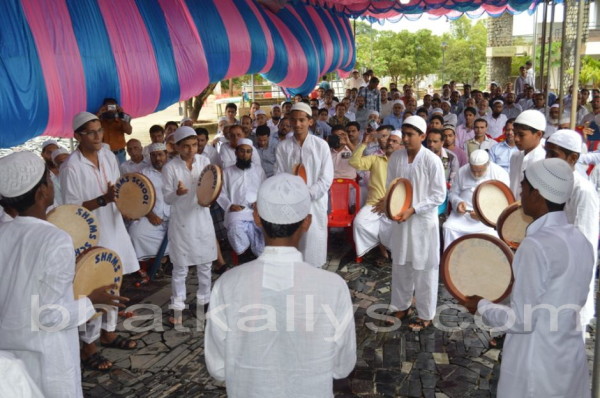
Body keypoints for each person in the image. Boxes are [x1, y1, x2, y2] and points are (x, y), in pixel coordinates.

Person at [205, 173, 356, 397]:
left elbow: (218, 367)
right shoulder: (333, 287)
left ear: (256, 217)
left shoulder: (227, 285)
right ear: (307, 222)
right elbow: (342, 366)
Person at [0, 151, 128, 397]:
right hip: (47, 356)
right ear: (41, 194)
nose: (53, 185)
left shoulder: (4, 232)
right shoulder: (54, 238)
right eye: (50, 180)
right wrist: (92, 302)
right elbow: (50, 316)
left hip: (8, 350)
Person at [465, 158, 593, 398]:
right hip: (568, 354)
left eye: (523, 186)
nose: (520, 192)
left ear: (537, 194)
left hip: (536, 361)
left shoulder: (536, 245)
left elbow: (521, 320)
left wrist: (481, 306)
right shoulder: (580, 239)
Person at [60, 112, 139, 365]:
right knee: (93, 288)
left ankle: (109, 332)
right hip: (92, 236)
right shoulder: (70, 167)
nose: (97, 136)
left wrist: (127, 207)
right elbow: (72, 210)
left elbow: (117, 188)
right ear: (77, 136)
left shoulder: (107, 154)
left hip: (114, 227)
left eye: (99, 130)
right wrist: (103, 200)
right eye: (91, 132)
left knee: (115, 282)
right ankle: (89, 345)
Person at [374, 116, 446, 330]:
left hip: (423, 223)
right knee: (400, 265)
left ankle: (425, 314)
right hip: (401, 222)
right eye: (403, 134)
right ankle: (401, 306)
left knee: (425, 268)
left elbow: (438, 195)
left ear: (422, 136)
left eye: (410, 135)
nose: (405, 139)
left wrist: (414, 209)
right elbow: (392, 186)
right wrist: (387, 203)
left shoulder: (432, 160)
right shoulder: (396, 157)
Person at [545, 129, 599, 336]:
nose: (548, 160)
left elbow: (582, 244)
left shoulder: (583, 191)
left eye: (553, 155)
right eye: (547, 154)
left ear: (573, 158)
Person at [162, 126, 218, 323]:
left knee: (205, 264)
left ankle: (205, 301)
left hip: (202, 218)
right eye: (186, 146)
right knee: (180, 267)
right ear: (177, 147)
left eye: (194, 145)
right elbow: (167, 199)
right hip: (181, 222)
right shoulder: (170, 168)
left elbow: (212, 185)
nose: (191, 150)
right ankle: (178, 307)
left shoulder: (204, 161)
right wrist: (177, 193)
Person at [275, 102, 333, 268]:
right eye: (294, 120)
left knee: (313, 249)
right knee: (293, 250)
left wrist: (307, 194)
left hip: (314, 205)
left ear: (310, 121)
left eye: (302, 120)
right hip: (290, 205)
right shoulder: (283, 147)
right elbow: (279, 175)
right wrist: (291, 195)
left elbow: (326, 178)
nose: (297, 124)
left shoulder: (321, 146)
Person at [350, 129, 402, 262]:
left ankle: (388, 251)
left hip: (394, 205)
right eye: (390, 140)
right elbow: (354, 162)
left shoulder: (404, 164)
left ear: (401, 146)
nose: (390, 143)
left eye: (394, 141)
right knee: (359, 223)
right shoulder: (375, 158)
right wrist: (363, 144)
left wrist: (388, 202)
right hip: (373, 204)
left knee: (397, 227)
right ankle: (381, 246)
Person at [442, 150, 509, 248]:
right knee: (448, 227)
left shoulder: (500, 174)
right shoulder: (462, 171)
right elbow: (452, 193)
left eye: (480, 171)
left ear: (487, 165)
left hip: (487, 218)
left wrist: (483, 214)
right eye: (473, 170)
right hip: (463, 215)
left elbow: (503, 201)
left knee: (491, 234)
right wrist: (458, 203)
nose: (476, 174)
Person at [217, 138, 266, 259]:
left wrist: (260, 202)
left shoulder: (258, 170)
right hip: (236, 211)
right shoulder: (227, 172)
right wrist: (229, 206)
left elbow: (265, 189)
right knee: (234, 230)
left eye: (248, 152)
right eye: (242, 151)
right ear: (236, 152)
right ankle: (245, 255)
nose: (245, 155)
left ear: (251, 154)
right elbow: (220, 193)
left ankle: (257, 255)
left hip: (257, 212)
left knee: (266, 234)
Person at [128, 143, 170, 269]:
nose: (157, 158)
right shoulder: (143, 174)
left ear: (166, 155)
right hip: (152, 215)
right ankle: (161, 259)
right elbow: (136, 197)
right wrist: (150, 214)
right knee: (136, 233)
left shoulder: (175, 170)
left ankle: (168, 258)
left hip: (175, 216)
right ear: (149, 157)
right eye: (153, 155)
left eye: (160, 155)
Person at [509, 110, 547, 199]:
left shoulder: (544, 160)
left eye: (521, 135)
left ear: (538, 134)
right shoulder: (515, 156)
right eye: (515, 133)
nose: (516, 139)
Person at [97, 98, 132, 164]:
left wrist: (121, 113)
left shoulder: (121, 119)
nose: (110, 110)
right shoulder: (99, 121)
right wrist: (100, 112)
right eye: (108, 107)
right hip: (104, 155)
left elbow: (129, 131)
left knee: (121, 173)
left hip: (119, 154)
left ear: (116, 108)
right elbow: (90, 126)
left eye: (112, 107)